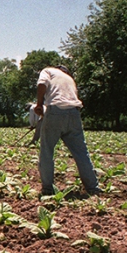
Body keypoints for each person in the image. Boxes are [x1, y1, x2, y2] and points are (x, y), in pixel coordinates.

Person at [34, 65, 100, 196]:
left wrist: (39, 104)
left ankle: (47, 188)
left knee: (47, 151)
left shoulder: (48, 71)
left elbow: (42, 84)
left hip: (56, 109)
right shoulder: (70, 79)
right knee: (81, 152)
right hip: (74, 113)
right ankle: (93, 188)